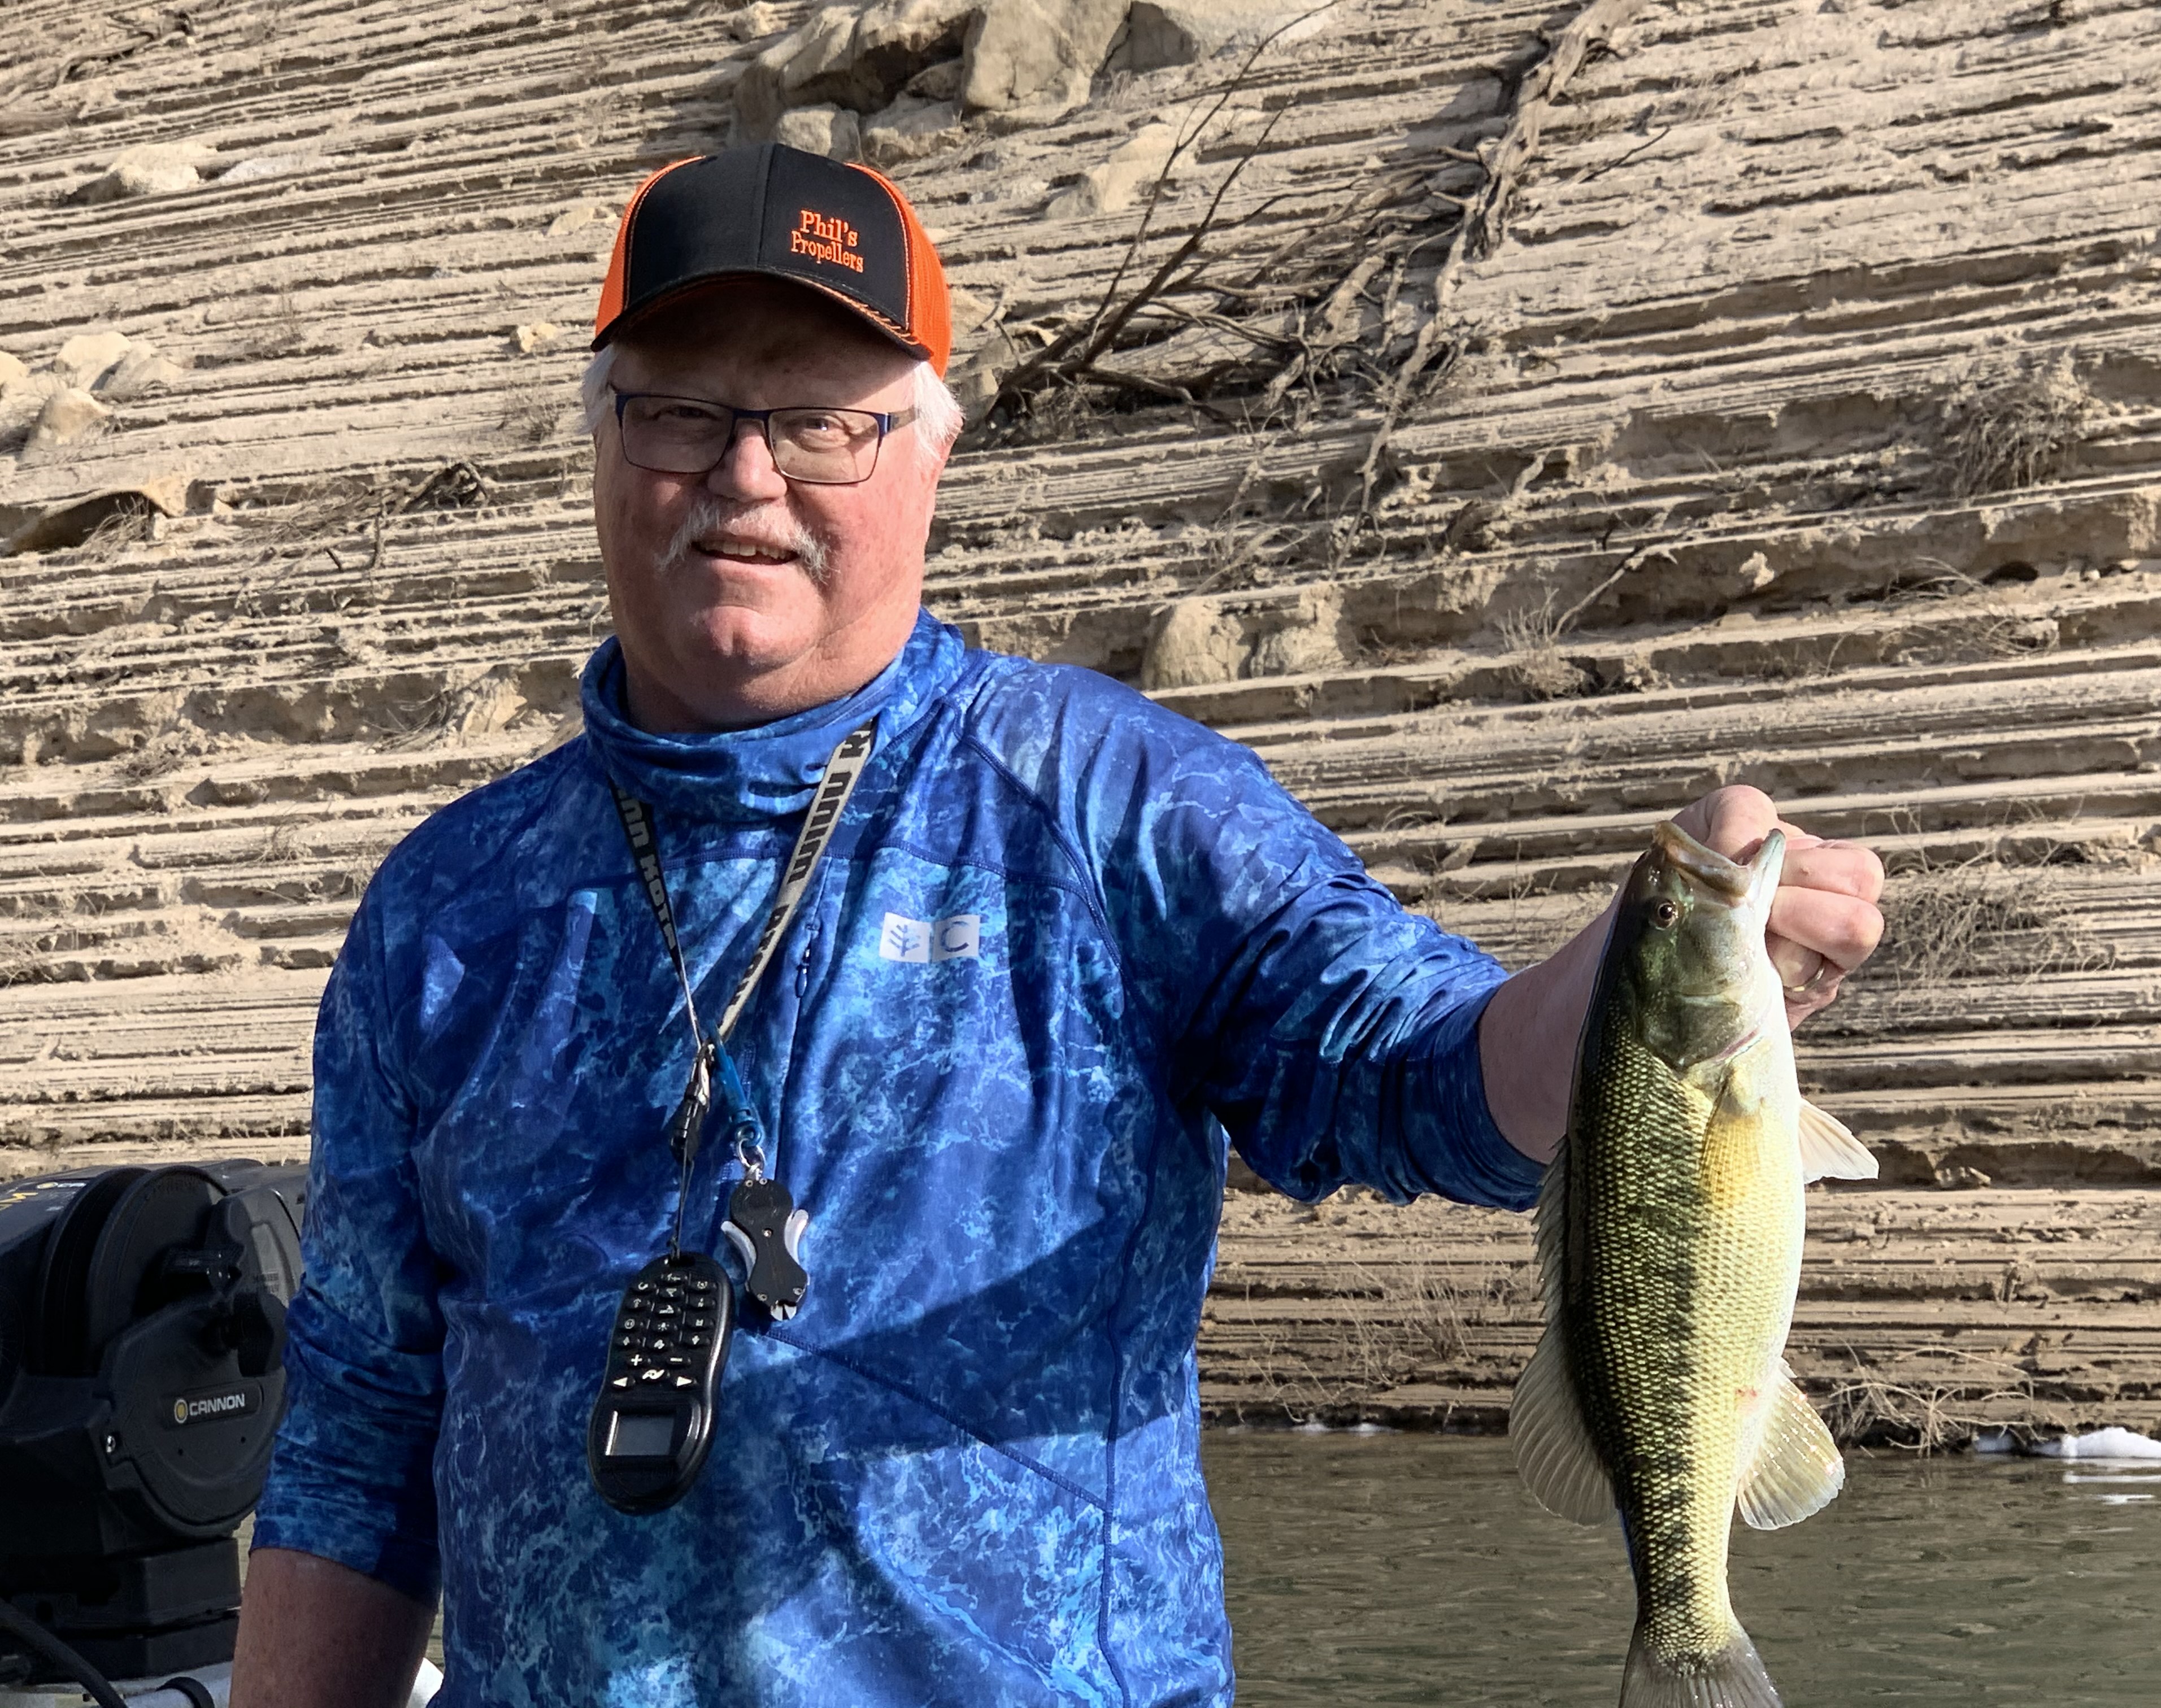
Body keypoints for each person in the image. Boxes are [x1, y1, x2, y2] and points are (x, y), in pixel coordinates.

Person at [233, 142, 1882, 1707]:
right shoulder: (448, 909)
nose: (745, 476)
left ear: (930, 450)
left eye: (821, 423)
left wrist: (1642, 991)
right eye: (680, 413)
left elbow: (1423, 1075)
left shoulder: (1110, 806)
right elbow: (357, 1439)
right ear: (600, 443)